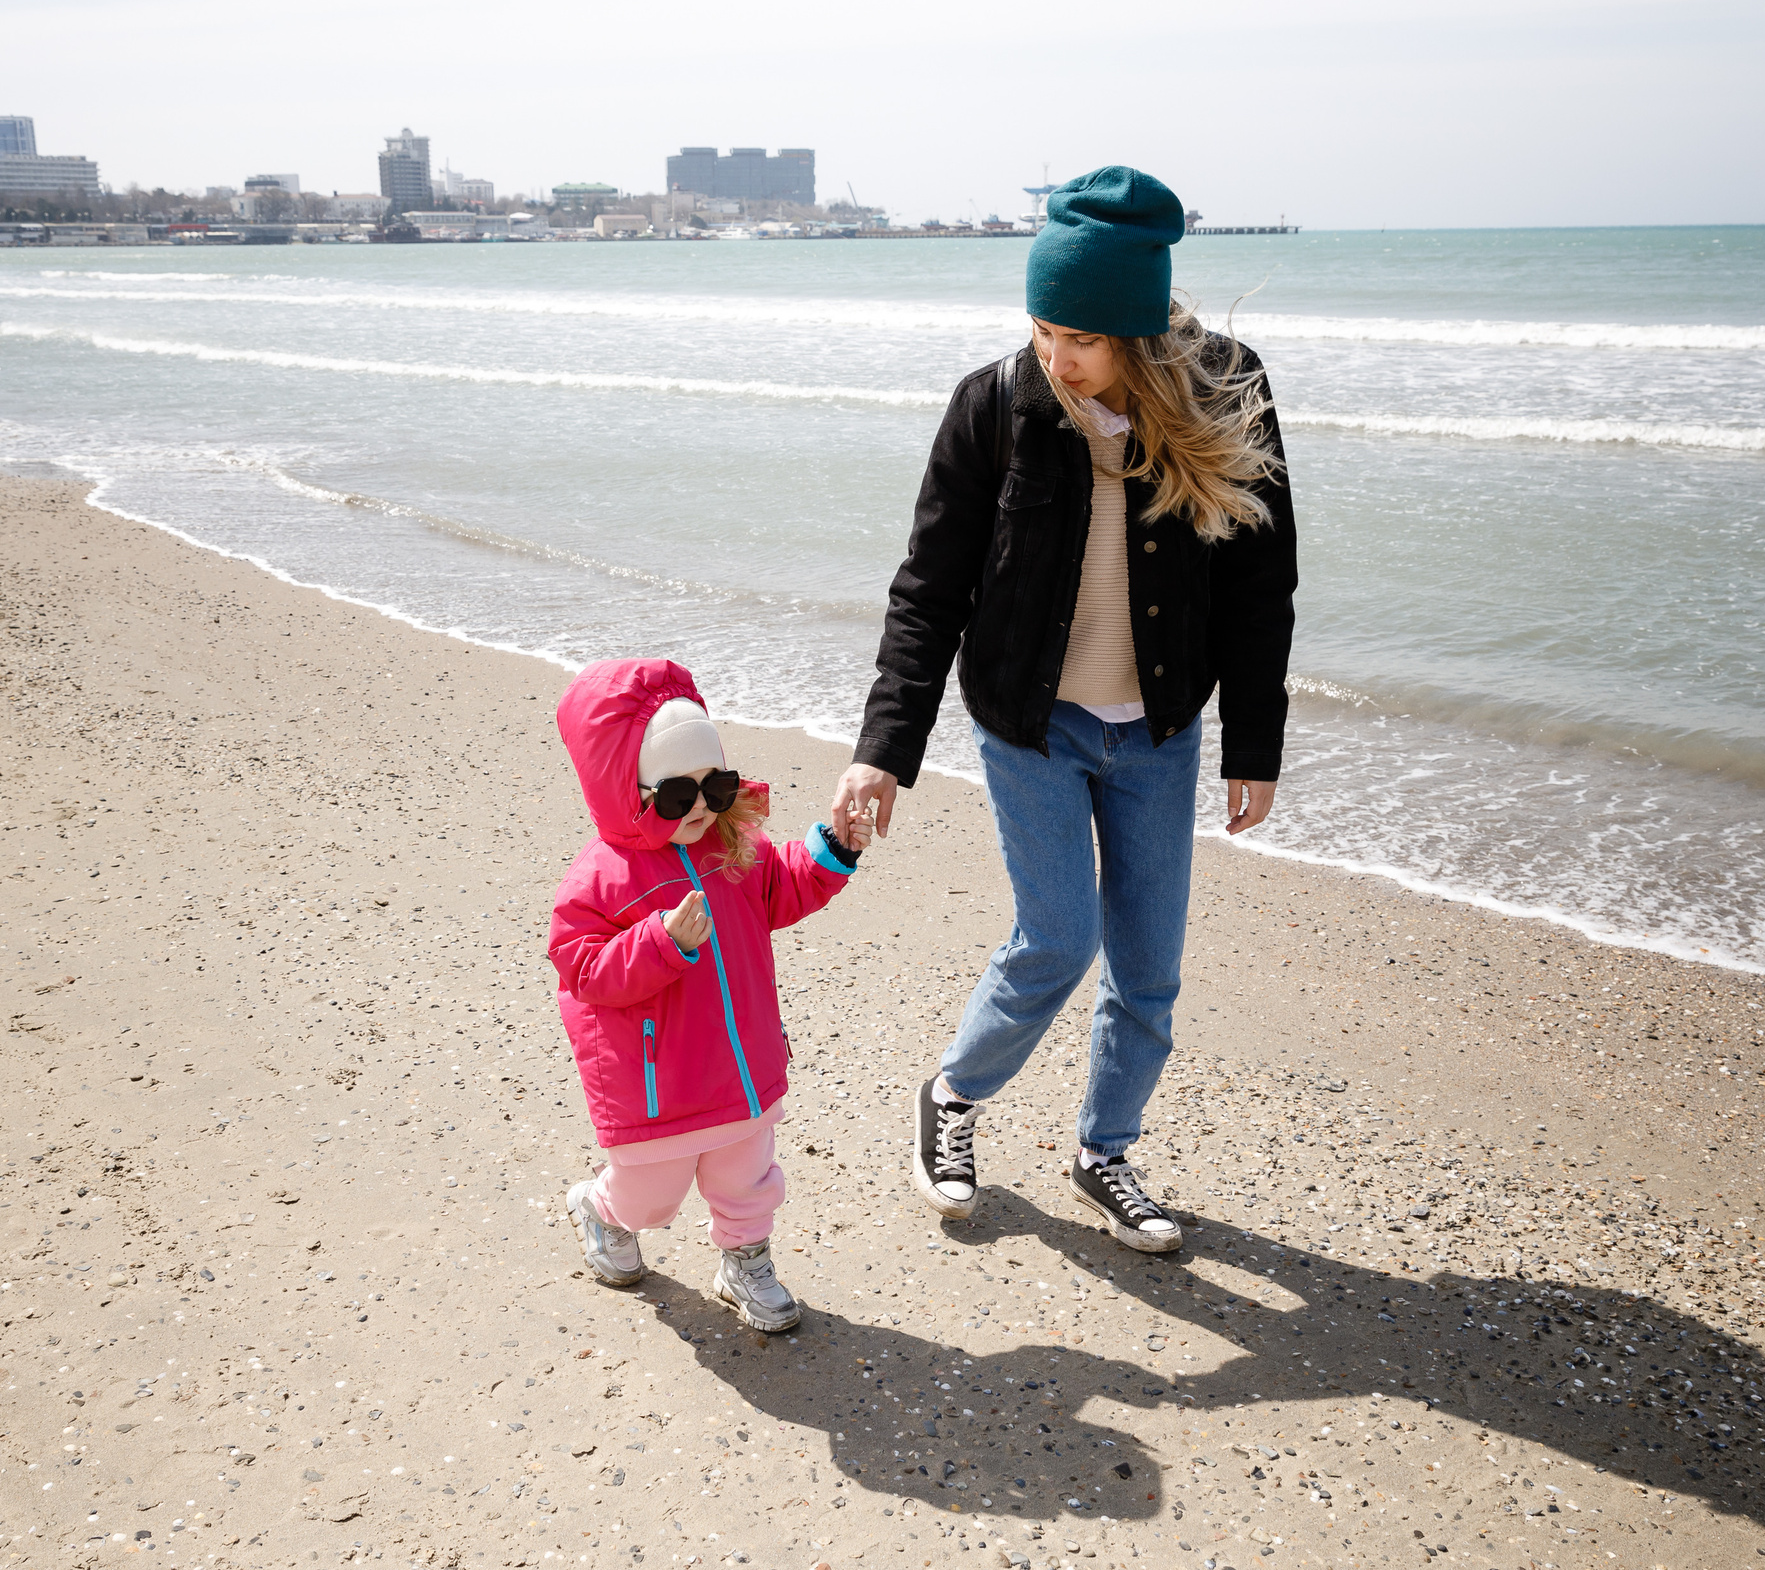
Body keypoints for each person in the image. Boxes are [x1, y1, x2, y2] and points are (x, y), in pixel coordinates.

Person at [832, 166, 1297, 1254]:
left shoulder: (1227, 389)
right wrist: (882, 750)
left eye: (1081, 337)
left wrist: (1255, 742)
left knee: (1150, 966)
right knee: (1057, 937)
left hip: (1159, 727)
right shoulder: (993, 403)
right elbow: (928, 589)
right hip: (1029, 723)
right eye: (1042, 327)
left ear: (1139, 330)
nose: (1056, 356)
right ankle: (954, 1094)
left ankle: (1105, 1152)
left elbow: (1260, 584)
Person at [548, 657, 875, 1331]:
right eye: (676, 795)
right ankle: (604, 1212)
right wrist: (660, 942)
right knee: (651, 1192)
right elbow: (583, 968)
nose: (701, 806)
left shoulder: (733, 844)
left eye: (716, 785)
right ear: (628, 788)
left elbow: (782, 886)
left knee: (746, 1178)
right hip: (659, 1083)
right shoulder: (602, 878)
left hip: (740, 1068)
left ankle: (746, 1259)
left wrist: (832, 849)